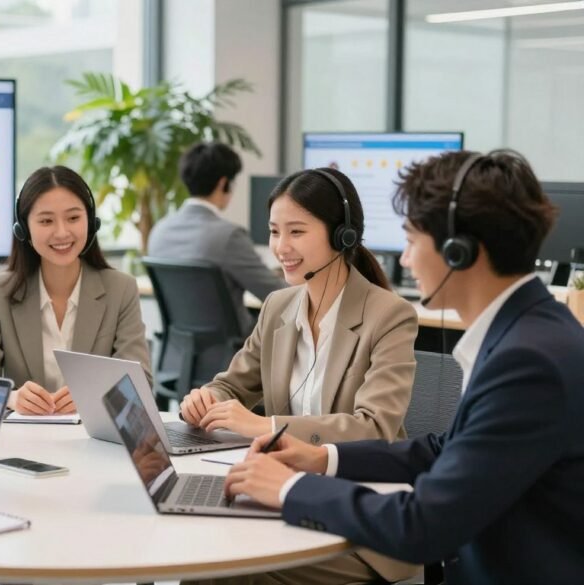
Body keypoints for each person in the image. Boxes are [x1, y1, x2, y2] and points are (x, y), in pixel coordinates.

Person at [225, 150, 584, 585]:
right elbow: (443, 449)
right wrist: (322, 457)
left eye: (412, 241)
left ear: (459, 250)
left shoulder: (529, 361)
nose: (407, 261)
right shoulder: (525, 334)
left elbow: (424, 525)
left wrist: (287, 489)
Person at [181, 167, 419, 584]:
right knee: (204, 560)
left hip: (360, 515)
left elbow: (376, 426)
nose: (281, 247)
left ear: (342, 234)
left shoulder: (388, 315)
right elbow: (231, 384)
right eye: (274, 232)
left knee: (234, 572)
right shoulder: (278, 306)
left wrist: (266, 425)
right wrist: (205, 398)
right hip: (283, 496)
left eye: (296, 232)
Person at [0, 165, 152, 415]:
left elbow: (141, 383)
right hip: (26, 441)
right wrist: (10, 398)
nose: (62, 232)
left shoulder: (120, 289)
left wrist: (94, 396)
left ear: (91, 222)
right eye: (46, 221)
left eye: (74, 218)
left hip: (94, 440)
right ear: (23, 229)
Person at [148, 142, 287, 336]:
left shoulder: (159, 231)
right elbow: (276, 294)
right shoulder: (229, 236)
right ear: (223, 183)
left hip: (179, 351)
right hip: (235, 351)